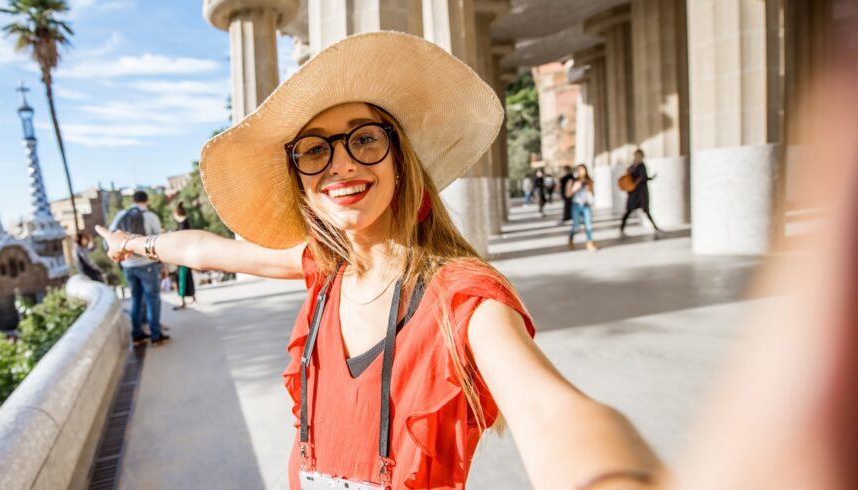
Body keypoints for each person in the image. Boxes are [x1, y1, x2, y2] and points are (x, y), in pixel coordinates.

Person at [97, 32, 662, 490]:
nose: (341, 165)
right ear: (301, 180)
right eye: (315, 150)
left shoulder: (462, 296)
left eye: (364, 139)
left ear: (400, 159)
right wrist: (130, 246)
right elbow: (201, 248)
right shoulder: (325, 268)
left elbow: (552, 415)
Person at [107, 190, 170, 346]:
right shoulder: (150, 216)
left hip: (127, 265)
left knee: (136, 299)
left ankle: (138, 335)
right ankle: (156, 336)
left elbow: (111, 238)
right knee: (152, 298)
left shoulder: (120, 215)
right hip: (147, 264)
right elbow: (160, 242)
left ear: (133, 201)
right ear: (146, 201)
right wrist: (164, 266)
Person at [620, 149, 662, 236]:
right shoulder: (640, 166)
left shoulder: (632, 166)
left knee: (632, 211)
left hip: (634, 192)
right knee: (642, 211)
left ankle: (622, 228)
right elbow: (644, 177)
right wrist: (651, 178)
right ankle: (655, 227)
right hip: (640, 192)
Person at [566, 164, 598, 252]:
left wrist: (589, 189)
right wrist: (574, 188)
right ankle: (571, 237)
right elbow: (567, 195)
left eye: (583, 170)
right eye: (579, 170)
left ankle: (590, 242)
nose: (581, 172)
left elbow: (594, 193)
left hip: (586, 205)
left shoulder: (589, 181)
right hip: (576, 206)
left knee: (588, 224)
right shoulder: (572, 181)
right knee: (576, 226)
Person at [172, 202, 197, 310]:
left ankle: (182, 301)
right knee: (187, 277)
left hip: (183, 257)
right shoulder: (185, 224)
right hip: (186, 256)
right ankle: (192, 297)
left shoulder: (183, 225)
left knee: (181, 278)